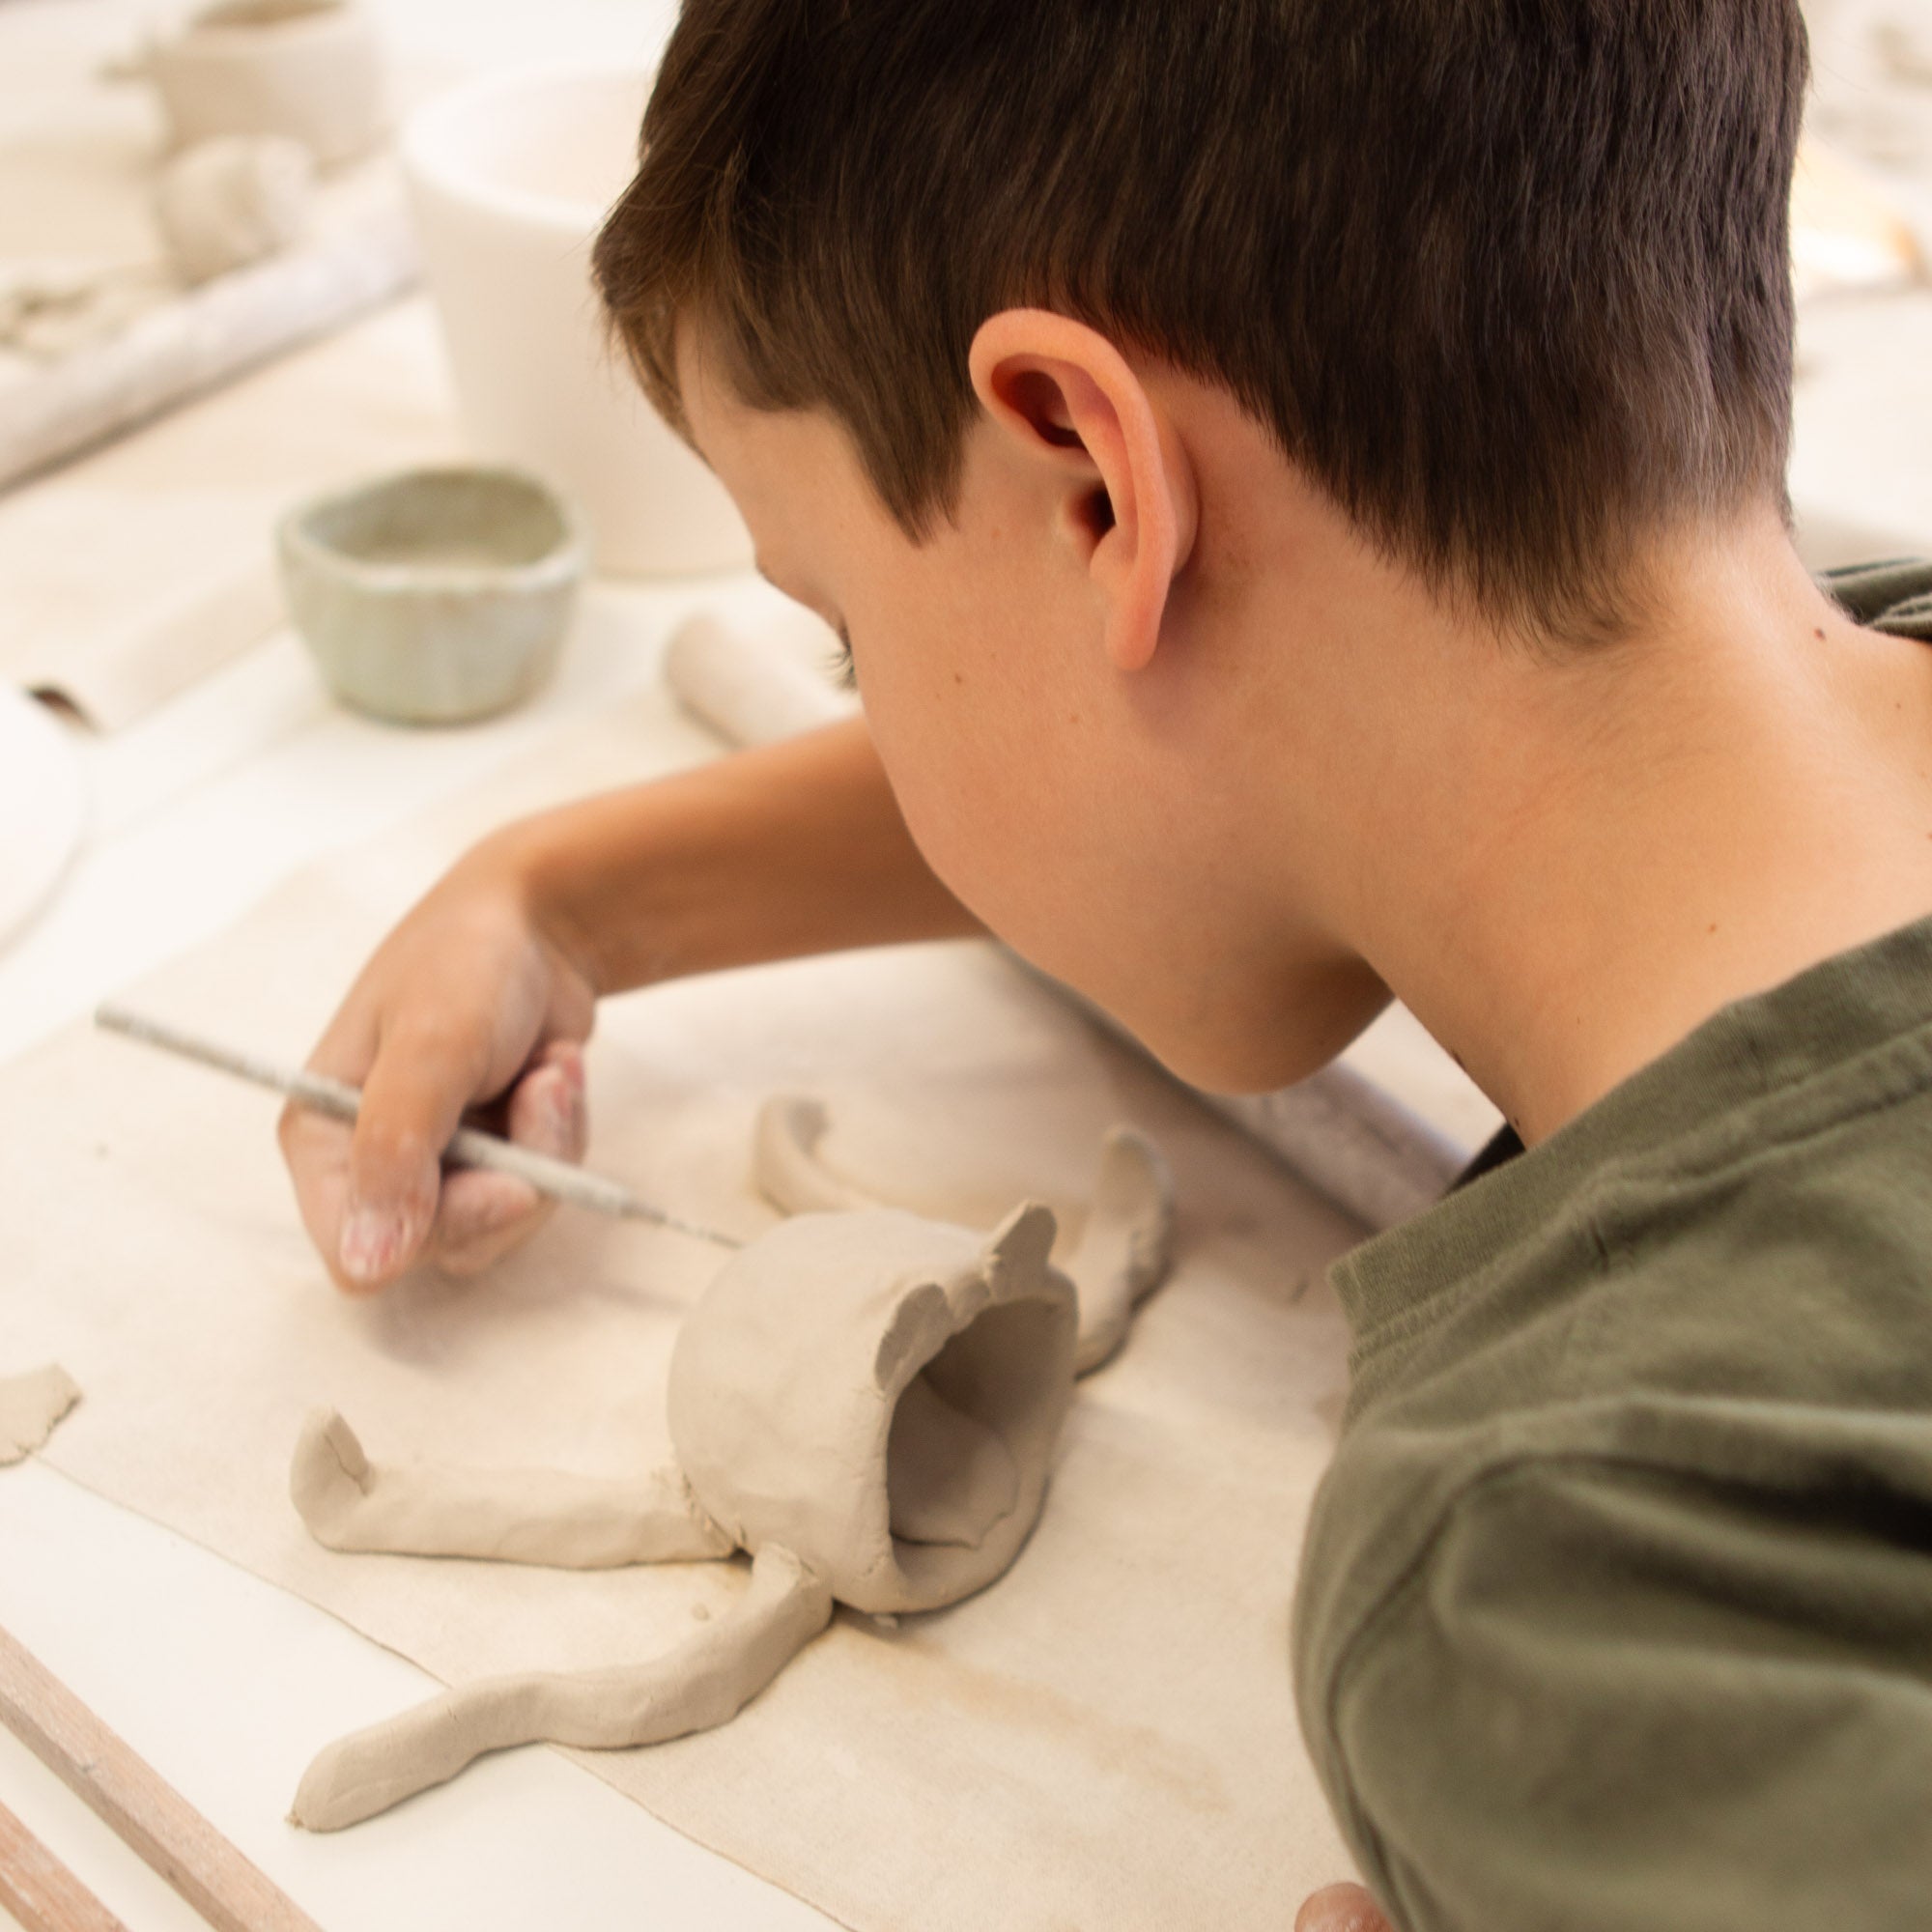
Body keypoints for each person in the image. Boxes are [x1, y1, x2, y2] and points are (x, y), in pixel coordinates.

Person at [278, 2, 1932, 1925]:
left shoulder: (1563, 1570)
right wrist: (568, 892)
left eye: (845, 639)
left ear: (1090, 479)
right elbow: (1224, 731)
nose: (873, 710)